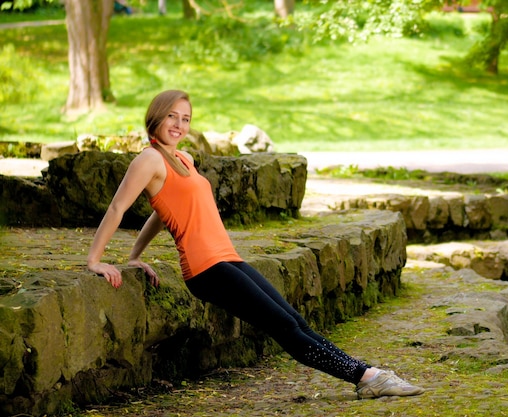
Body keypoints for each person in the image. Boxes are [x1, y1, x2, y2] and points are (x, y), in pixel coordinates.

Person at [86, 89, 425, 400]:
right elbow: (118, 207)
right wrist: (95, 261)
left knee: (295, 320)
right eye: (172, 115)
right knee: (284, 327)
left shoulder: (183, 159)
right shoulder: (148, 160)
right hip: (206, 269)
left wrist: (134, 256)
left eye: (186, 118)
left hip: (227, 259)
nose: (179, 124)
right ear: (156, 116)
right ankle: (368, 377)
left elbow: (162, 212)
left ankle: (368, 375)